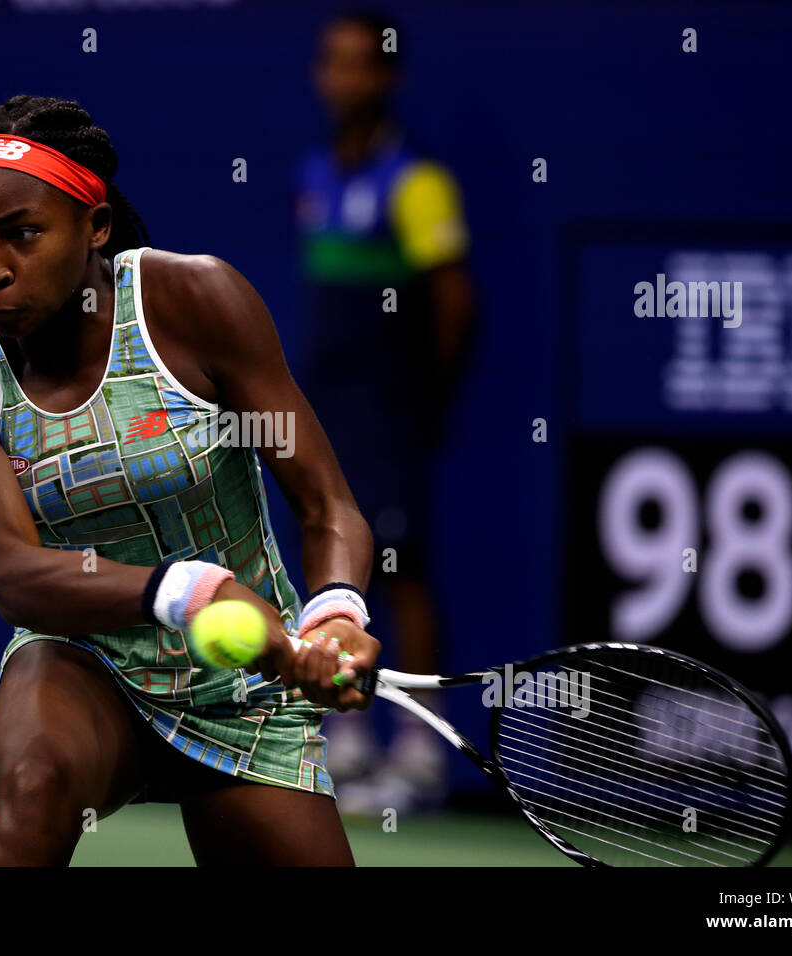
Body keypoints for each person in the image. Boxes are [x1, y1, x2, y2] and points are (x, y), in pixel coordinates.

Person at [0, 93, 383, 865]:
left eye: (23, 235)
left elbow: (327, 505)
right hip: (85, 664)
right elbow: (13, 578)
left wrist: (333, 613)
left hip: (247, 687)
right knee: (35, 782)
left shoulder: (195, 301)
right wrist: (189, 591)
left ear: (95, 226)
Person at [295, 10, 478, 814]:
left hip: (391, 406)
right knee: (330, 558)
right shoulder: (315, 171)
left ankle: (421, 753)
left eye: (361, 65)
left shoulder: (418, 181)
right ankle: (349, 743)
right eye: (332, 63)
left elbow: (453, 297)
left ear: (387, 77)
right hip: (328, 404)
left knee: (403, 570)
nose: (345, 80)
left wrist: (425, 399)